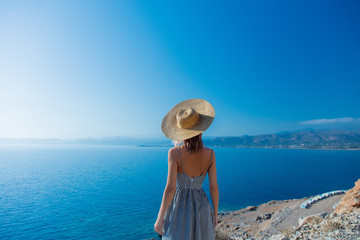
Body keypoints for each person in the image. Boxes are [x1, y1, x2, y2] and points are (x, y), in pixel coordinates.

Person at [154, 98, 219, 240]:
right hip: (202, 206)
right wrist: (215, 215)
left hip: (179, 208)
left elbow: (170, 189)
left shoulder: (174, 153)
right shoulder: (211, 154)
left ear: (180, 131)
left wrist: (160, 218)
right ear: (200, 128)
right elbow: (213, 187)